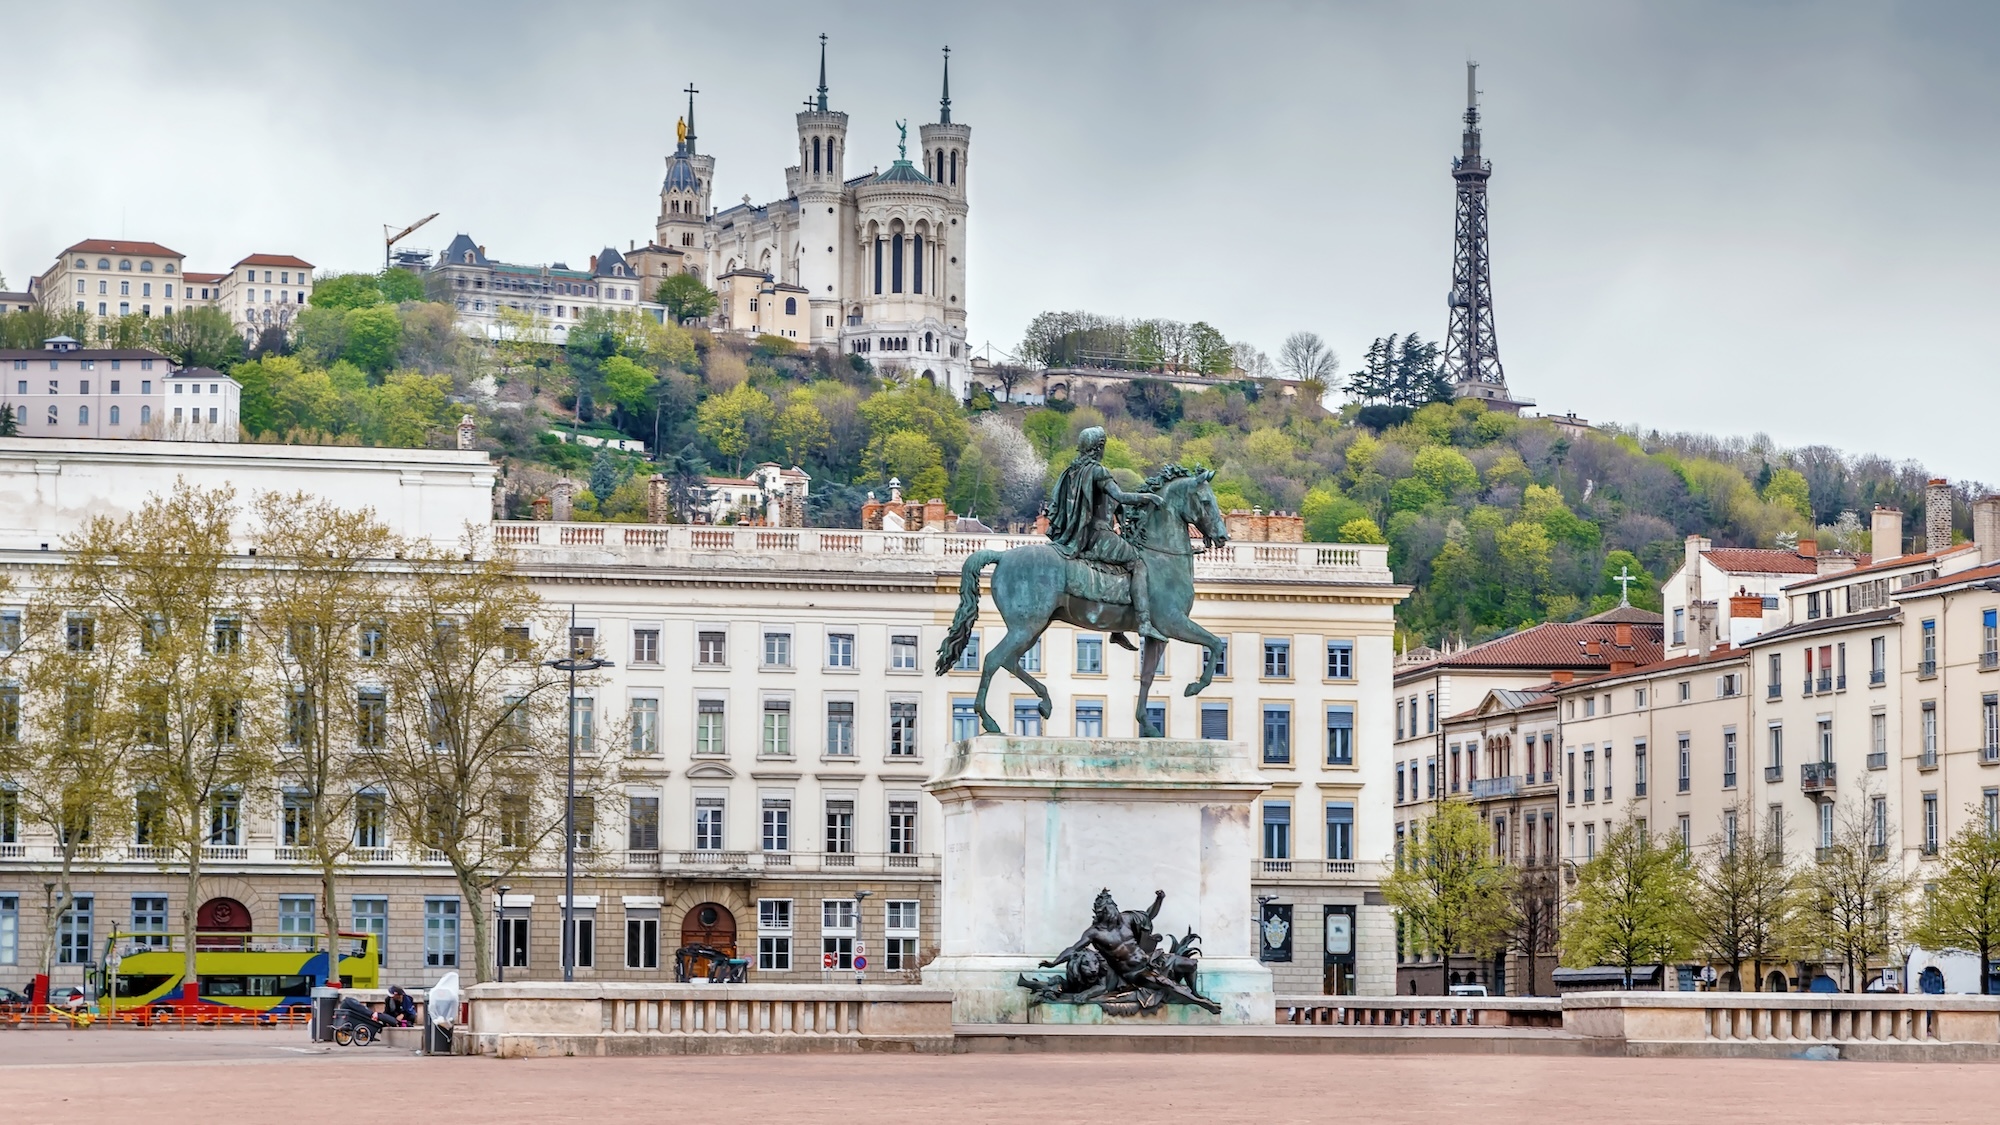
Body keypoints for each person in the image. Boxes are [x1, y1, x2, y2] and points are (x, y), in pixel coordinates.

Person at [1044, 427, 1166, 640]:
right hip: (1098, 535)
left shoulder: (1071, 471)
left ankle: (1117, 628)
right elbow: (1120, 496)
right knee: (1137, 563)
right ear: (1098, 447)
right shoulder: (1097, 471)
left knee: (1116, 568)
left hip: (1078, 535)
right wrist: (1149, 497)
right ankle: (1144, 622)